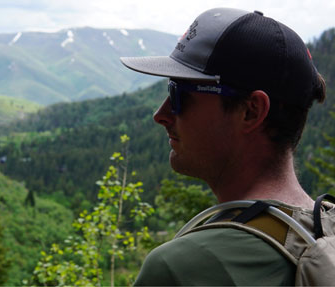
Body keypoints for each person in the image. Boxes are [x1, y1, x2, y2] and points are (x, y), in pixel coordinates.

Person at [120, 7, 332, 285]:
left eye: (178, 93)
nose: (160, 114)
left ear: (251, 111)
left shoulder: (181, 269)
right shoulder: (325, 232)